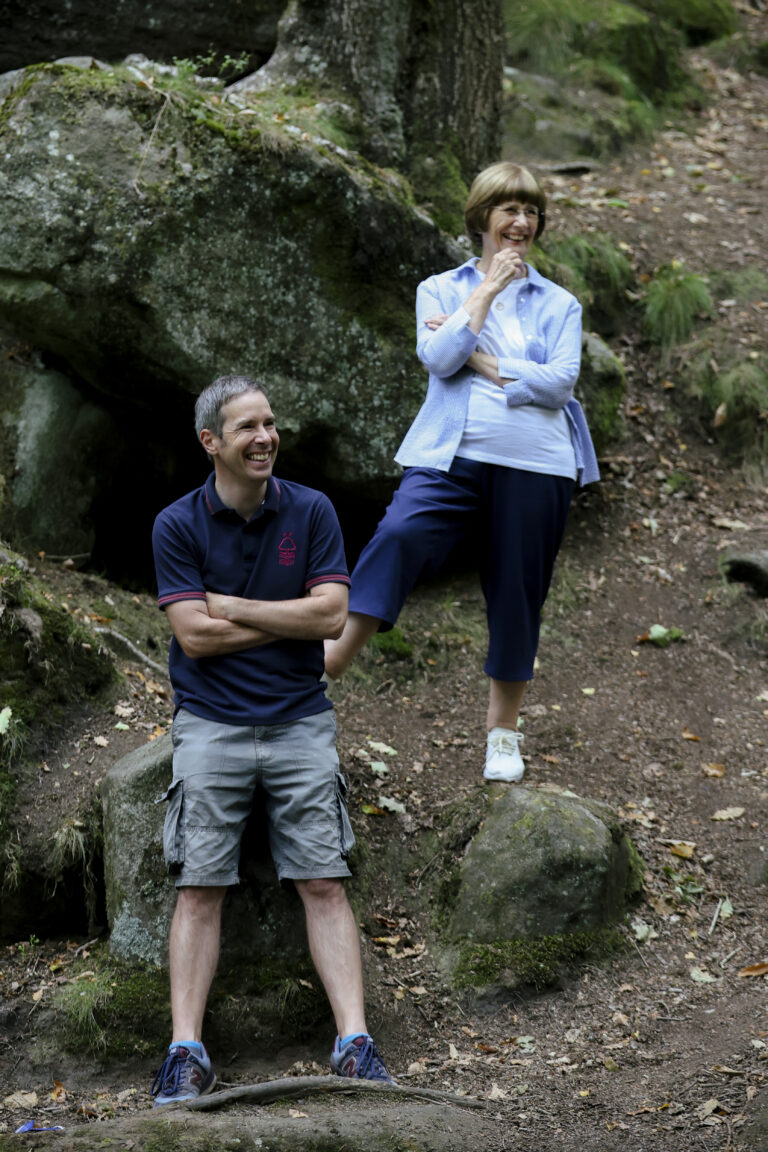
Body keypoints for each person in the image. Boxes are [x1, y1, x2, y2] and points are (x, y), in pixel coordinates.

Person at [150, 375, 393, 1106]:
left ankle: (354, 1042)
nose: (265, 437)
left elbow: (332, 619)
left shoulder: (311, 510)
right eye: (248, 426)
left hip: (298, 719)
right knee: (199, 887)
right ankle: (185, 1052)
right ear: (211, 442)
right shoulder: (176, 524)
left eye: (271, 423)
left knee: (323, 879)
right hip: (210, 724)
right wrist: (282, 615)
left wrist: (236, 607)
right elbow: (193, 637)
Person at [325, 161, 599, 783]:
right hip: (452, 455)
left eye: (531, 212)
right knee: (399, 534)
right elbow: (437, 356)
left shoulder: (561, 303)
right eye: (509, 209)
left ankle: (503, 735)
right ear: (482, 218)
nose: (521, 222)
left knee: (516, 589)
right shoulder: (441, 289)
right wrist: (483, 295)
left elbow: (559, 386)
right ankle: (328, 664)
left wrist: (484, 361)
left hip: (539, 463)